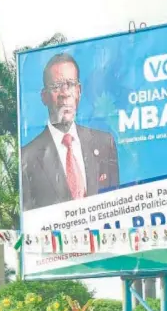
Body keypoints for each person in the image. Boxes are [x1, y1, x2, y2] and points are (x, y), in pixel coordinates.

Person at [21, 52, 119, 211]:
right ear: (44, 97)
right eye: (56, 86)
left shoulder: (105, 144)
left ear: (79, 91)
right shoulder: (26, 158)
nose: (65, 93)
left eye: (70, 84)